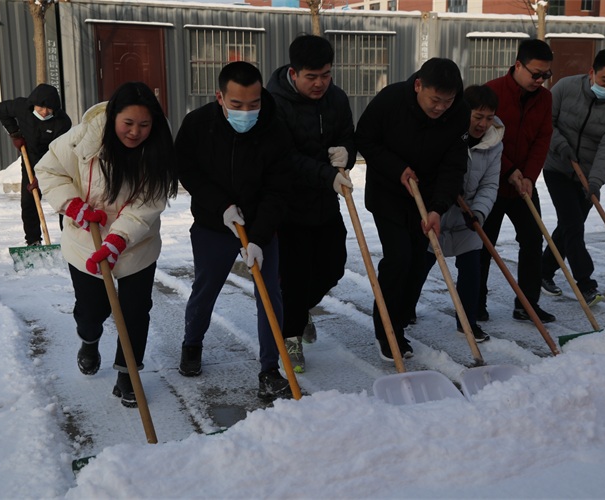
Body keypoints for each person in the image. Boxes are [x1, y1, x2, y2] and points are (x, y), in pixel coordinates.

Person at [35, 82, 178, 407]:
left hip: (135, 245)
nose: (135, 132)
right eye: (128, 123)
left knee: (135, 312)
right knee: (92, 310)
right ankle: (89, 339)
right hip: (86, 241)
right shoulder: (81, 140)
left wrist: (118, 239)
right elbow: (48, 171)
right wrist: (72, 206)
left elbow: (148, 205)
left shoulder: (156, 150)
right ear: (113, 117)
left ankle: (128, 374)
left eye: (144, 125)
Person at [175, 61, 294, 400]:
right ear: (220, 98)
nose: (247, 111)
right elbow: (189, 171)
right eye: (237, 104)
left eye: (253, 103)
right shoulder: (198, 125)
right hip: (214, 225)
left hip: (260, 225)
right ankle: (192, 344)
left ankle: (270, 369)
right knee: (207, 286)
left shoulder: (275, 128)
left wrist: (259, 236)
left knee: (270, 293)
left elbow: (279, 188)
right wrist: (221, 206)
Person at [356, 57, 469, 361]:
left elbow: (454, 165)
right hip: (389, 192)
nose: (440, 107)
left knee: (419, 260)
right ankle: (388, 332)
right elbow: (365, 138)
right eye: (435, 99)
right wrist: (397, 169)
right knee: (398, 259)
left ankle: (401, 318)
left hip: (428, 196)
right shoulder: (391, 100)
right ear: (418, 85)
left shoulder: (458, 111)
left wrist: (438, 208)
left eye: (448, 101)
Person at [266, 34, 356, 373]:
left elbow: (347, 134)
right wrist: (324, 174)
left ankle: (300, 313)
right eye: (312, 77)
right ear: (294, 72)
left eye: (326, 75)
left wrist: (347, 152)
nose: (320, 83)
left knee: (333, 266)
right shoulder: (274, 103)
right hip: (287, 205)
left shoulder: (336, 98)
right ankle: (289, 337)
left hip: (324, 201)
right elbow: (284, 157)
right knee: (295, 274)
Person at [409, 84, 503, 342]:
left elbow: (490, 184)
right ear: (464, 113)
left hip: (467, 216)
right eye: (477, 117)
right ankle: (406, 310)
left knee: (472, 266)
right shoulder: (446, 134)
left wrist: (479, 213)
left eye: (489, 117)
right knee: (420, 266)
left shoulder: (494, 143)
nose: (483, 124)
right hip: (435, 213)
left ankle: (468, 321)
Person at [540, 49, 605, 306]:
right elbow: (547, 121)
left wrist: (595, 182)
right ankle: (586, 284)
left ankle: (543, 271)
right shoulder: (565, 87)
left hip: (588, 174)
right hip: (557, 166)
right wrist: (560, 146)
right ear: (592, 73)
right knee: (573, 226)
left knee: (568, 227)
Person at [480, 38, 556, 324]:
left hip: (523, 185)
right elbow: (484, 138)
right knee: (484, 246)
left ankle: (527, 303)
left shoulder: (545, 99)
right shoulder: (493, 91)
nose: (540, 80)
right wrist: (509, 171)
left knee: (532, 241)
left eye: (545, 75)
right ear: (518, 65)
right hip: (491, 183)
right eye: (535, 74)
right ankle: (475, 303)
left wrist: (529, 177)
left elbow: (542, 139)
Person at [0, 84, 72, 245]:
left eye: (49, 109)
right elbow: (2, 109)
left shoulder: (63, 123)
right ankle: (33, 240)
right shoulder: (21, 107)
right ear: (33, 105)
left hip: (55, 163)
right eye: (40, 108)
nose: (44, 112)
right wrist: (14, 133)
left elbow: (58, 153)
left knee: (63, 201)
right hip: (30, 159)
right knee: (28, 201)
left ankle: (69, 238)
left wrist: (42, 177)